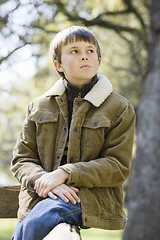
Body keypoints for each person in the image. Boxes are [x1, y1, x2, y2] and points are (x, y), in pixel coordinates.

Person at [11, 26, 135, 240]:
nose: (84, 56)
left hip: (89, 198)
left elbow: (117, 166)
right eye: (75, 51)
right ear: (58, 65)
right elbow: (22, 159)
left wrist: (66, 173)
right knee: (40, 216)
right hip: (41, 197)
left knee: (40, 219)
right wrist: (45, 181)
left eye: (90, 51)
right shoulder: (38, 106)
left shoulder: (119, 108)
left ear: (98, 61)